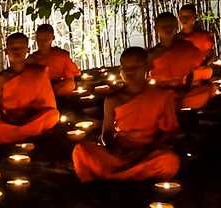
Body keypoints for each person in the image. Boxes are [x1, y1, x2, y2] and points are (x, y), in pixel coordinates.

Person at [72, 47, 180, 182]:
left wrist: (145, 151)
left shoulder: (162, 95)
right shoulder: (113, 99)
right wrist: (115, 148)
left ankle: (113, 176)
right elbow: (107, 133)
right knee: (81, 150)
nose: (129, 72)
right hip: (119, 154)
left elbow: (168, 132)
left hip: (147, 153)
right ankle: (129, 175)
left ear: (146, 67)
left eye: (134, 67)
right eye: (125, 67)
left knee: (169, 161)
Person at [0, 33, 59, 145]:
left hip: (33, 117)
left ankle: (18, 133)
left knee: (53, 115)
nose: (17, 51)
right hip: (10, 119)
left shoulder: (39, 72)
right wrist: (6, 118)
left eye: (21, 48)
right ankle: (26, 132)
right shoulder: (1, 77)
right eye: (13, 48)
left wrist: (31, 115)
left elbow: (49, 105)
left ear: (28, 50)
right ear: (6, 51)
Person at [149, 11, 211, 108]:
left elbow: (192, 72)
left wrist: (186, 88)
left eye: (171, 25)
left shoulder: (187, 47)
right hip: (161, 93)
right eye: (163, 26)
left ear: (176, 27)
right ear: (156, 28)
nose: (167, 29)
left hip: (184, 91)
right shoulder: (152, 54)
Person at [26, 24, 80, 96]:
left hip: (58, 86)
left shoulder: (61, 55)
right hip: (40, 88)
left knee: (69, 84)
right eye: (40, 40)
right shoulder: (32, 59)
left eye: (46, 39)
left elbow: (74, 72)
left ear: (53, 38)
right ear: (36, 39)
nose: (43, 43)